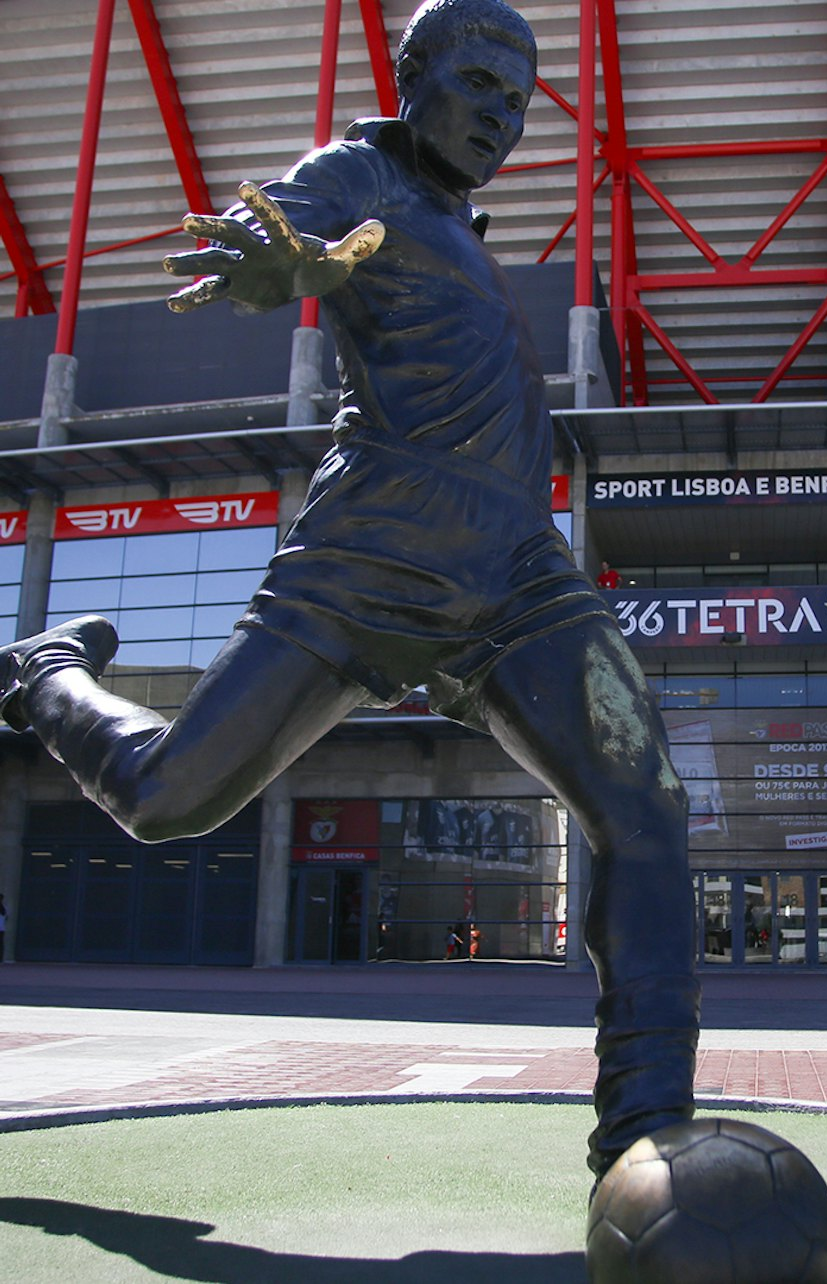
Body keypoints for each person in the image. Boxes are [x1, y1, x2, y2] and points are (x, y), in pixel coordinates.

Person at [0, 0, 697, 1185]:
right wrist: (277, 263)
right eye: (479, 85)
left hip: (519, 575)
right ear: (411, 72)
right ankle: (45, 675)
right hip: (368, 561)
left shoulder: (459, 223)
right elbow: (288, 237)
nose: (501, 118)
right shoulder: (359, 172)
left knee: (650, 817)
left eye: (520, 103)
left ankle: (647, 1145)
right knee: (170, 799)